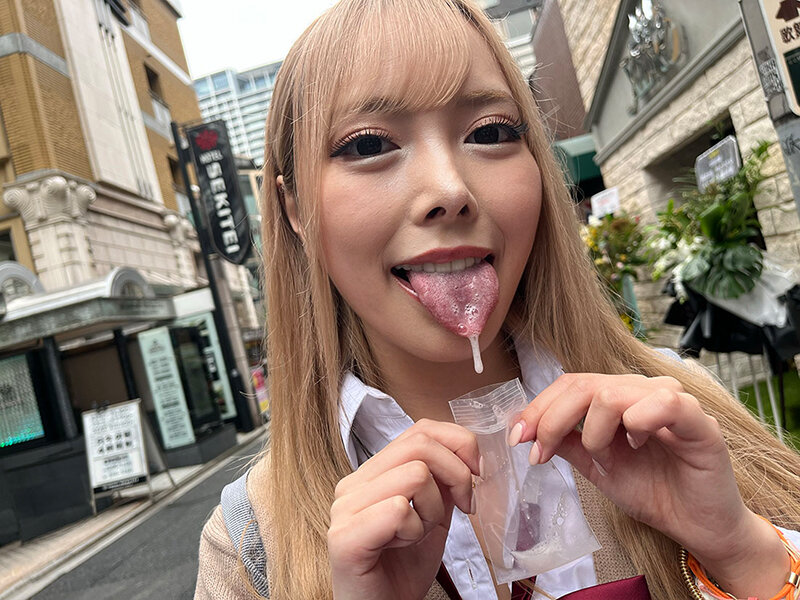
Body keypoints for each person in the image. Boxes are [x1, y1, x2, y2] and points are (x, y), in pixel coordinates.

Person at [194, 1, 800, 599]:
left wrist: (742, 552)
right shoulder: (248, 543)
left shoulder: (679, 416)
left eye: (490, 132)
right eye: (368, 145)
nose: (450, 190)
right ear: (295, 208)